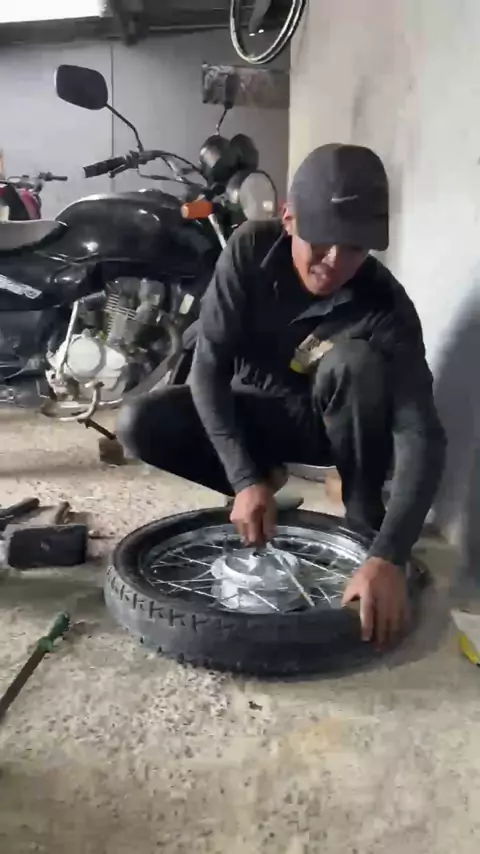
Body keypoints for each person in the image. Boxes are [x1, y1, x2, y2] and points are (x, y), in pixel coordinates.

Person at [118, 143, 446, 647]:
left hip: (323, 427)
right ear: (289, 219)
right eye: (323, 241)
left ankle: (361, 516)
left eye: (355, 248)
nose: (335, 262)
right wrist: (244, 477)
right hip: (251, 412)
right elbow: (208, 371)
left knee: (356, 362)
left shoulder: (386, 303)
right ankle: (263, 478)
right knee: (139, 423)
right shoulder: (250, 250)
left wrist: (389, 553)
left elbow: (421, 432)